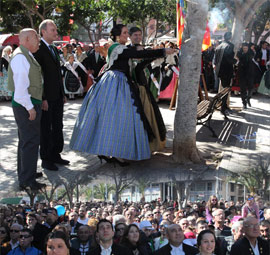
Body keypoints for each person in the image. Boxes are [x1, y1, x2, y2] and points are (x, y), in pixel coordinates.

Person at [70, 24, 176, 165]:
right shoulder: (116, 48)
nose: (127, 35)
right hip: (114, 83)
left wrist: (157, 53)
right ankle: (109, 152)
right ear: (117, 35)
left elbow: (138, 61)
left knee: (116, 119)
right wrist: (162, 51)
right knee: (113, 119)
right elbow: (136, 55)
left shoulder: (122, 49)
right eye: (125, 33)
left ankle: (110, 152)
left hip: (120, 83)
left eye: (127, 33)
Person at [7, 28, 46, 191]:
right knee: (30, 142)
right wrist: (30, 108)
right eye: (36, 37)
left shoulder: (25, 55)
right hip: (25, 104)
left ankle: (26, 173)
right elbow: (21, 89)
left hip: (28, 103)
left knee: (26, 141)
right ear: (28, 39)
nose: (38, 41)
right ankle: (27, 180)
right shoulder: (21, 57)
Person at [34, 19, 69, 171]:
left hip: (57, 96)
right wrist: (43, 98)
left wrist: (63, 93)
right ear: (43, 32)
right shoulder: (39, 49)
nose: (56, 32)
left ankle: (56, 154)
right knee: (46, 128)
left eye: (55, 30)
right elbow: (38, 77)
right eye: (53, 30)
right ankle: (46, 159)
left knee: (57, 126)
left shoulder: (53, 49)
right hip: (47, 97)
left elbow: (56, 73)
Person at [214, 32, 235, 115]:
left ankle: (224, 106)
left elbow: (216, 60)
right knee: (226, 89)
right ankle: (223, 108)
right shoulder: (230, 46)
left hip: (220, 71)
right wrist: (236, 61)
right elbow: (229, 59)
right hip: (227, 70)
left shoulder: (218, 46)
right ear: (230, 37)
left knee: (224, 88)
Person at [236, 43, 255, 109]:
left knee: (251, 87)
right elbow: (240, 57)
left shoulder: (251, 52)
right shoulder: (239, 53)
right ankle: (244, 102)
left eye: (246, 48)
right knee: (243, 89)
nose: (245, 50)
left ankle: (248, 98)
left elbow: (251, 56)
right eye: (244, 48)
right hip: (242, 73)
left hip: (250, 73)